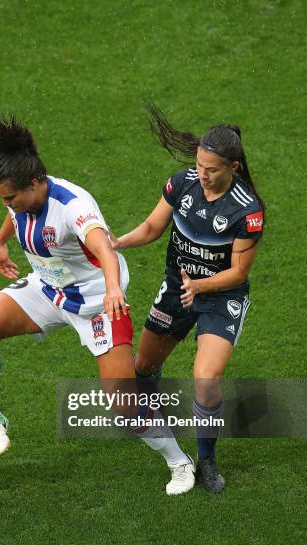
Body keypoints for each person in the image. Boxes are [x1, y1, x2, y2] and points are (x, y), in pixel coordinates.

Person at [0, 114, 195, 495]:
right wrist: (0, 242)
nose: (7, 205)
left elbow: (103, 248)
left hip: (98, 304)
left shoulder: (73, 205)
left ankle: (179, 461)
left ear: (36, 184)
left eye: (10, 198)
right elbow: (12, 215)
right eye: (2, 199)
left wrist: (112, 290)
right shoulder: (20, 199)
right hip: (49, 291)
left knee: (123, 405)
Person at [111, 104, 265, 493]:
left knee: (206, 378)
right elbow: (151, 226)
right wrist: (118, 242)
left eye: (211, 169)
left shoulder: (247, 211)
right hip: (177, 290)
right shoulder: (182, 184)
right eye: (199, 164)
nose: (202, 173)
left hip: (220, 299)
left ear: (233, 167)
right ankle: (149, 421)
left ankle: (206, 460)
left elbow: (238, 272)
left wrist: (200, 286)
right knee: (142, 366)